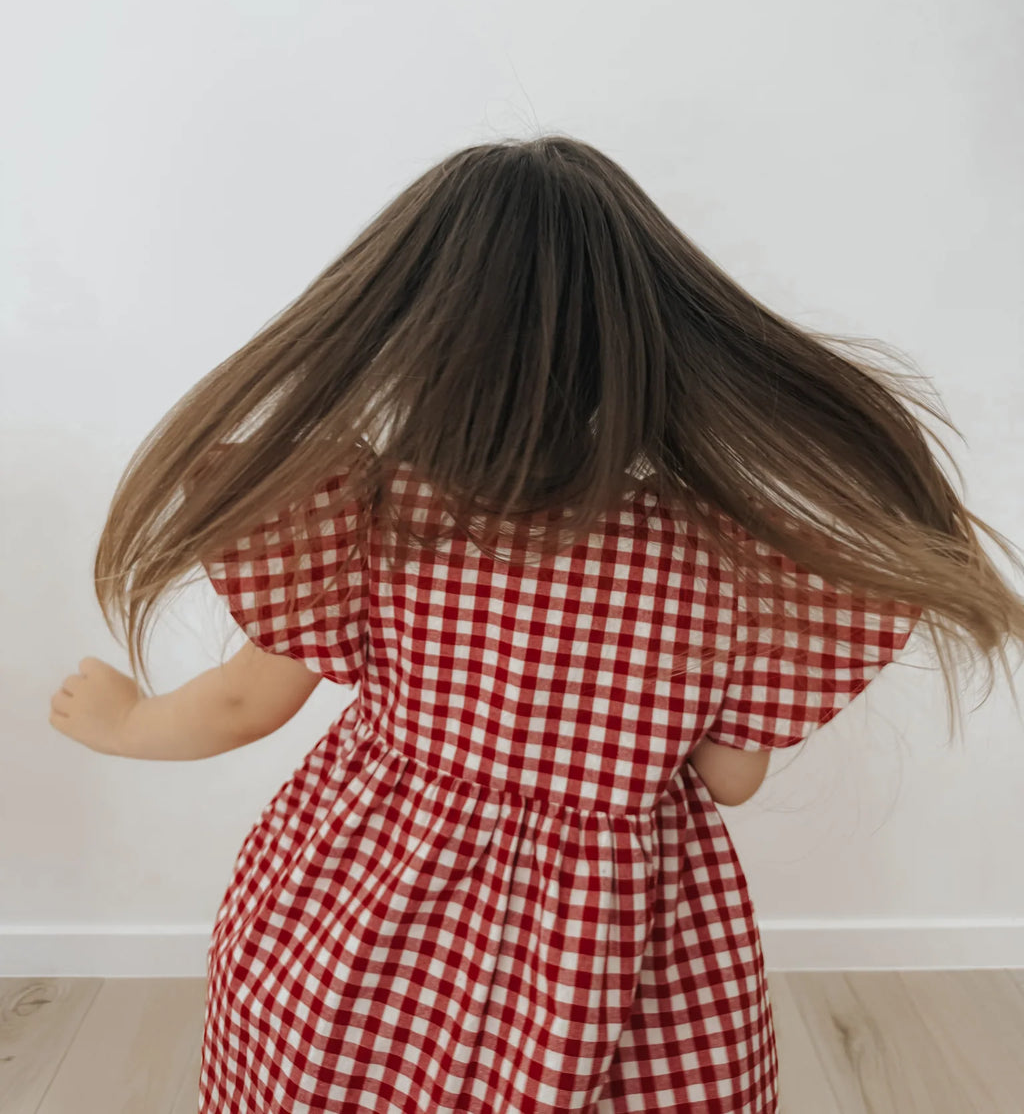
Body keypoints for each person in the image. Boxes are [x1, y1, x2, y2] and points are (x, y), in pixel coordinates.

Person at [55, 135, 1023, 1112]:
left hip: (367, 924)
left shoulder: (370, 519)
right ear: (654, 345)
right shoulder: (716, 559)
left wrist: (128, 720)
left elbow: (237, 703)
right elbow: (728, 779)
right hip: (603, 967)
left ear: (408, 338)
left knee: (332, 1068)